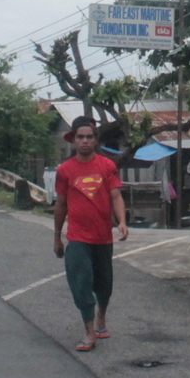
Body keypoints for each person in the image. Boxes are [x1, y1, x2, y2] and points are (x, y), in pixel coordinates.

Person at [52, 117, 127, 352]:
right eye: (80, 137)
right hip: (77, 237)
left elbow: (116, 196)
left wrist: (122, 221)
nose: (85, 141)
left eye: (89, 137)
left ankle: (101, 318)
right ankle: (89, 331)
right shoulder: (65, 170)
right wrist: (57, 237)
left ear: (95, 140)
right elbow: (61, 204)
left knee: (104, 283)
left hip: (103, 237)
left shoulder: (107, 166)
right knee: (81, 282)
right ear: (73, 140)